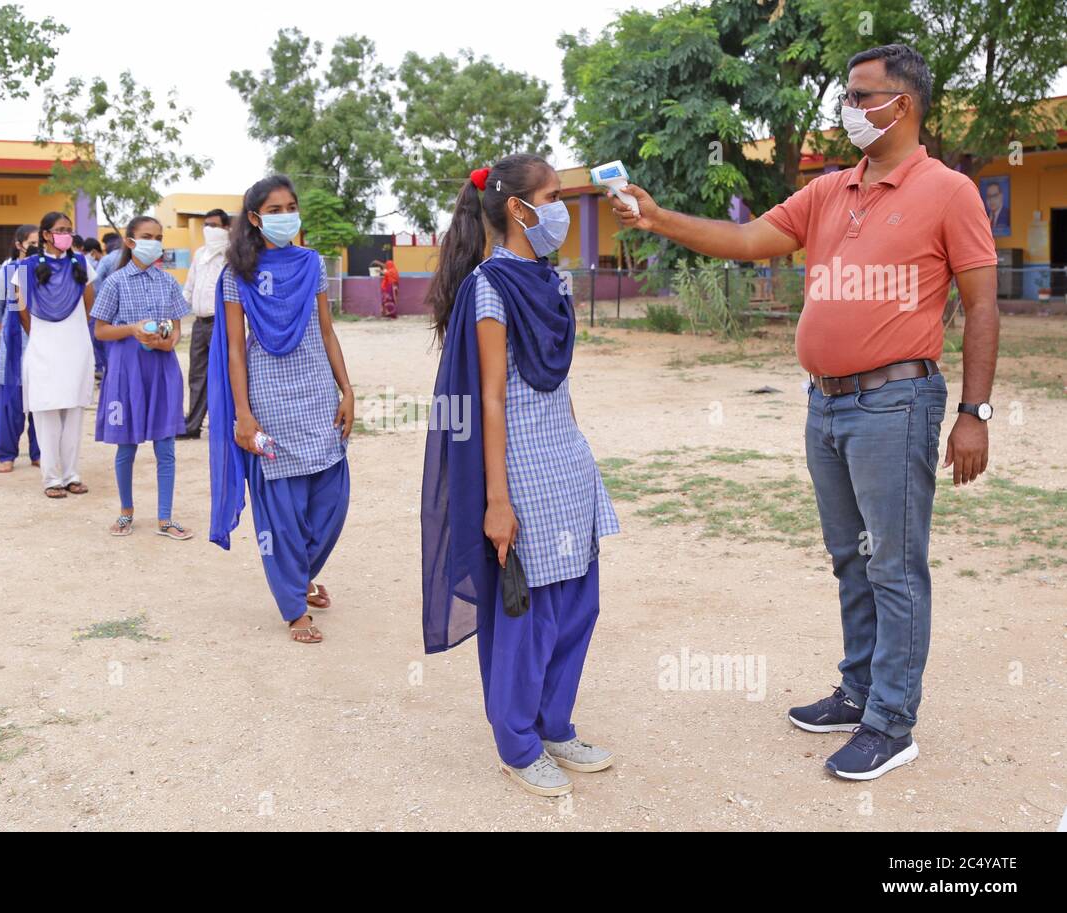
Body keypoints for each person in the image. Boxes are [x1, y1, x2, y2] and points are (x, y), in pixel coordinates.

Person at [611, 43, 999, 781]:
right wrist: (659, 219)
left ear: (903, 104)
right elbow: (748, 239)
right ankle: (858, 690)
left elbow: (982, 307)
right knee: (850, 556)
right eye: (847, 96)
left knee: (895, 563)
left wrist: (974, 411)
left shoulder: (949, 192)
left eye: (861, 96)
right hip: (826, 407)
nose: (849, 109)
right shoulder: (830, 191)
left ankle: (891, 722)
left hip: (897, 401)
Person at [422, 155, 620, 798]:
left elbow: (556, 386)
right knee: (526, 612)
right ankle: (517, 742)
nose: (562, 209)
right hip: (520, 473)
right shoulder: (489, 286)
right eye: (553, 197)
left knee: (576, 606)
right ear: (518, 207)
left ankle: (554, 724)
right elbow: (491, 398)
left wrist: (579, 459)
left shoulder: (551, 280)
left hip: (567, 463)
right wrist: (496, 500)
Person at [209, 175, 355, 644]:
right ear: (254, 218)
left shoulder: (311, 264)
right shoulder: (237, 273)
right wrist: (243, 414)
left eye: (291, 206)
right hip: (268, 400)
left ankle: (302, 574)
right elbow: (234, 349)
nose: (285, 215)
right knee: (282, 511)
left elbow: (327, 331)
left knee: (331, 500)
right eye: (274, 209)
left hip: (317, 396)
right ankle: (294, 607)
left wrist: (346, 389)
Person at [91, 215, 193, 539]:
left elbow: (177, 329)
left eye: (159, 237)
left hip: (162, 368)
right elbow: (101, 330)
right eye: (148, 236)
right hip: (126, 370)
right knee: (126, 446)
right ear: (131, 241)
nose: (155, 243)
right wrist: (132, 330)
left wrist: (167, 341)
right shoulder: (115, 282)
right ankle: (126, 512)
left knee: (166, 447)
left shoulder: (168, 282)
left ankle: (165, 519)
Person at [13, 211, 96, 498]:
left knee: (74, 411)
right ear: (46, 234)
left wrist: (77, 328)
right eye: (61, 229)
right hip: (43, 346)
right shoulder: (26, 266)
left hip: (76, 346)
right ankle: (51, 478)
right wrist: (36, 332)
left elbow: (89, 297)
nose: (67, 234)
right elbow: (19, 304)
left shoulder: (81, 262)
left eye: (69, 229)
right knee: (46, 410)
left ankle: (72, 474)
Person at [0, 224, 41, 472]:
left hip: (44, 343)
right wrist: (11, 333)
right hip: (14, 345)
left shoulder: (48, 270)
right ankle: (6, 454)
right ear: (19, 244)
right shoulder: (6, 270)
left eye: (39, 242)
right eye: (31, 242)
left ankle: (39, 453)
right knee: (10, 400)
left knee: (41, 401)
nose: (36, 247)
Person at [180, 208, 229, 438]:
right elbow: (189, 288)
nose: (209, 230)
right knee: (197, 375)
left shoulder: (231, 255)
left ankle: (225, 424)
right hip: (200, 324)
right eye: (206, 225)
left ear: (226, 228)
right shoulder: (200, 254)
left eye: (214, 225)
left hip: (222, 323)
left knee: (225, 375)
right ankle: (193, 425)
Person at [90, 233, 123, 380]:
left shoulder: (106, 260)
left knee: (107, 341)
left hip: (109, 311)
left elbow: (95, 283)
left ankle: (110, 373)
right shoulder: (132, 257)